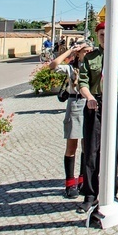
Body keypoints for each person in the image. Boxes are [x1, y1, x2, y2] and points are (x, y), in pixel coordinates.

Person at [76, 22, 118, 214]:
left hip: (116, 102)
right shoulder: (90, 57)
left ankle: (110, 193)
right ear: (97, 35)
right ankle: (90, 195)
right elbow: (82, 83)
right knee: (91, 150)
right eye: (101, 34)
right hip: (95, 103)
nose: (104, 37)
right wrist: (89, 98)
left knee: (112, 150)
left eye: (107, 34)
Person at [49, 39, 93, 199]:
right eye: (85, 51)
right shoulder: (71, 68)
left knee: (86, 145)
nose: (87, 53)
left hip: (89, 105)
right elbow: (52, 66)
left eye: (89, 51)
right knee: (72, 144)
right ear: (79, 53)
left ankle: (82, 179)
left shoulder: (93, 68)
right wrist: (70, 51)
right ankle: (70, 182)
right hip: (74, 104)